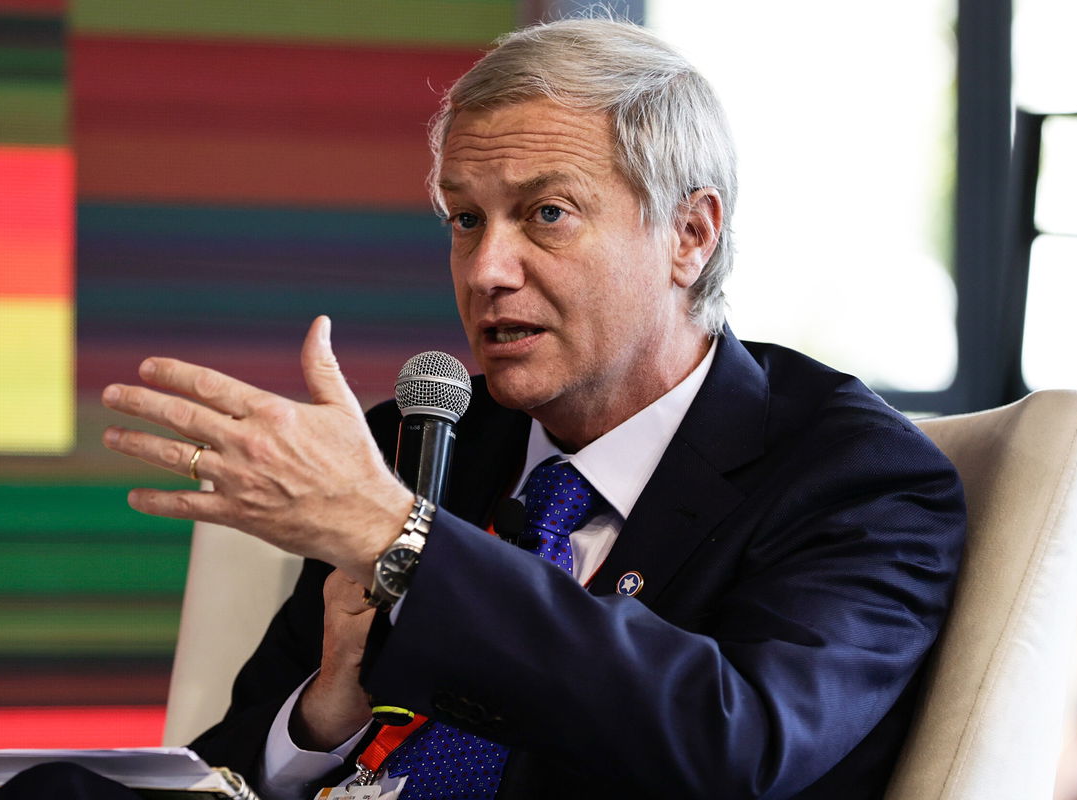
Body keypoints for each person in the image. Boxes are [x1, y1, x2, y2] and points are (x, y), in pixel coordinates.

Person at [100, 17, 965, 800]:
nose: (485, 271)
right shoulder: (418, 442)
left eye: (546, 214)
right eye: (466, 220)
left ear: (690, 236)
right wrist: (323, 720)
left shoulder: (856, 477)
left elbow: (737, 742)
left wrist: (402, 539)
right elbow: (229, 768)